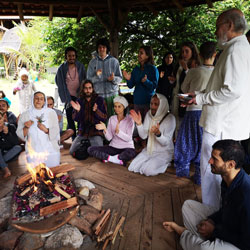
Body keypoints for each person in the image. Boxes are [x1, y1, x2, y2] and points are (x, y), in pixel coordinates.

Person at [185, 8, 250, 209]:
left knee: (211, 167)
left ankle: (210, 210)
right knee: (219, 170)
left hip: (221, 124)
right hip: (225, 122)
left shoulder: (235, 50)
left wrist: (202, 97)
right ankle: (218, 209)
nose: (215, 33)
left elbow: (233, 90)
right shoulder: (238, 48)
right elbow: (222, 86)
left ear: (229, 26)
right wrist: (198, 95)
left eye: (217, 27)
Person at [163, 139, 250, 250]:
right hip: (227, 226)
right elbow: (225, 211)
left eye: (215, 159)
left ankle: (184, 233)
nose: (209, 161)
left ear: (231, 164)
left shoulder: (246, 194)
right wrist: (211, 221)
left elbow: (247, 242)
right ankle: (205, 241)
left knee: (205, 249)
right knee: (188, 206)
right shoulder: (227, 179)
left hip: (241, 243)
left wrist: (214, 231)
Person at [174, 42, 217, 185]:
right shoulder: (218, 72)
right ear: (215, 54)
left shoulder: (193, 71)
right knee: (204, 144)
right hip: (209, 113)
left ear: (199, 55)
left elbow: (184, 88)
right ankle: (200, 175)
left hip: (192, 111)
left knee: (186, 140)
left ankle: (183, 170)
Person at [128, 93, 176, 176]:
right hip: (150, 150)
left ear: (162, 105)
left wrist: (158, 134)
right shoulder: (149, 114)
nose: (152, 107)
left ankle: (166, 163)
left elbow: (166, 143)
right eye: (151, 104)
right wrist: (139, 124)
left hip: (163, 152)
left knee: (147, 170)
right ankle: (150, 162)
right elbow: (143, 136)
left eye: (156, 104)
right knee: (132, 167)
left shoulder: (170, 118)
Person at [88, 96, 136, 165]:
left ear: (124, 107)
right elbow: (109, 138)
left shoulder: (130, 119)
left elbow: (128, 138)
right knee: (90, 149)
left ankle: (109, 158)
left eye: (119, 106)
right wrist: (104, 129)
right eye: (115, 106)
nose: (116, 109)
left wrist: (119, 132)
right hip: (113, 147)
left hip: (127, 148)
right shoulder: (112, 119)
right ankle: (116, 159)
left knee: (131, 153)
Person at [17, 91, 60, 168]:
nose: (39, 100)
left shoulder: (51, 113)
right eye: (36, 98)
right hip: (33, 150)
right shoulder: (25, 114)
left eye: (41, 99)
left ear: (44, 101)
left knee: (53, 170)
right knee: (36, 172)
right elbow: (20, 134)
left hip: (50, 149)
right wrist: (26, 127)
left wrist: (46, 130)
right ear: (32, 100)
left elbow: (56, 129)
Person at [70, 80, 107, 155]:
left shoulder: (99, 100)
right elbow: (76, 119)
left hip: (95, 132)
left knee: (99, 153)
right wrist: (78, 111)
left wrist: (96, 111)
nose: (88, 90)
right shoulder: (79, 101)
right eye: (86, 88)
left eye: (90, 88)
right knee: (72, 151)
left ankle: (88, 147)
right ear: (83, 89)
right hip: (83, 132)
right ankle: (88, 147)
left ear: (92, 89)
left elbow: (104, 117)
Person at [55, 47, 86, 139]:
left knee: (81, 116)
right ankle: (73, 138)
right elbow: (59, 82)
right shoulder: (61, 68)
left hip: (80, 95)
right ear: (66, 57)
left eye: (73, 56)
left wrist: (82, 94)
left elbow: (84, 79)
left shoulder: (80, 66)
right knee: (70, 117)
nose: (71, 57)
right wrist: (66, 99)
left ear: (76, 56)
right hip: (68, 96)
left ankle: (80, 136)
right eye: (69, 56)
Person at [87, 38, 122, 117]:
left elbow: (120, 78)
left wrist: (113, 79)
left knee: (114, 119)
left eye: (104, 47)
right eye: (99, 47)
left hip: (113, 96)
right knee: (100, 119)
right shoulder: (92, 63)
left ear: (107, 48)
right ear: (97, 49)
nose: (101, 49)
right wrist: (96, 76)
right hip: (98, 97)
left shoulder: (114, 61)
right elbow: (88, 80)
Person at [171, 42, 200, 137]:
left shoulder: (196, 64)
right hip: (177, 94)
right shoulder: (179, 65)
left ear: (193, 52)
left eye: (187, 51)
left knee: (184, 119)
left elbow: (193, 82)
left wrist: (186, 69)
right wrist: (173, 80)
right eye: (182, 51)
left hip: (188, 97)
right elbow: (179, 81)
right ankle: (176, 139)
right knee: (176, 119)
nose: (184, 54)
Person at [123, 45, 159, 120]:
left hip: (148, 102)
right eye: (138, 53)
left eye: (141, 53)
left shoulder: (153, 69)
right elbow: (130, 86)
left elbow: (154, 86)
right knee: (137, 126)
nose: (138, 55)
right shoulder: (136, 69)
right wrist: (128, 79)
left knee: (147, 126)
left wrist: (146, 81)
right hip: (137, 102)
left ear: (147, 55)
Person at [0, 112, 22, 178]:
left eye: (0, 118)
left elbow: (15, 142)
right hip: (1, 152)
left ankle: (1, 163)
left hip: (9, 153)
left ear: (3, 118)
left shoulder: (11, 127)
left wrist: (7, 134)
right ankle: (5, 168)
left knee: (18, 147)